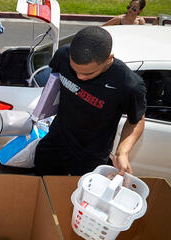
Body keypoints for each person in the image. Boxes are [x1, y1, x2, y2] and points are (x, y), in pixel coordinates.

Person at [34, 26, 146, 176]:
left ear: (109, 59)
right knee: (43, 180)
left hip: (91, 156)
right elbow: (53, 83)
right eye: (75, 70)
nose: (80, 77)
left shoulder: (129, 85)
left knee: (80, 196)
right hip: (57, 140)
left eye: (89, 73)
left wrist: (122, 152)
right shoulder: (62, 55)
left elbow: (137, 120)